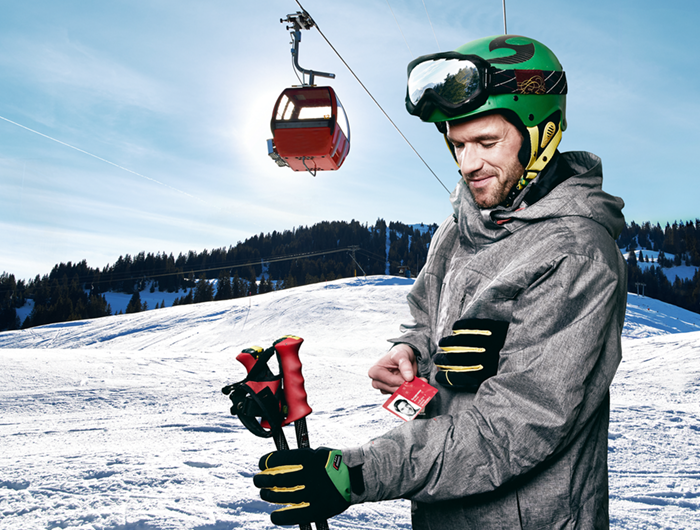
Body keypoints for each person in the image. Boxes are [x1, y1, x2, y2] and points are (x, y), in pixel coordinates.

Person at [253, 35, 627, 530]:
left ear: (543, 133)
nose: (468, 164)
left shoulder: (575, 254)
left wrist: (359, 474)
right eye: (457, 144)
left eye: (487, 143)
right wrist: (411, 351)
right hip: (443, 511)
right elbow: (426, 318)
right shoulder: (464, 223)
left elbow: (515, 428)